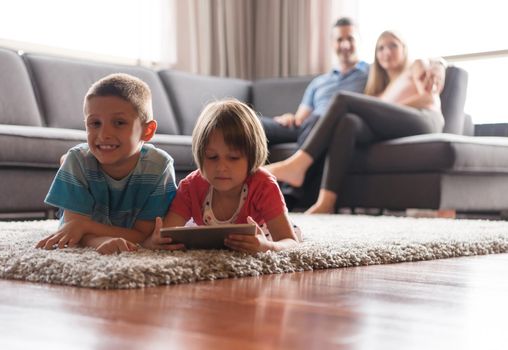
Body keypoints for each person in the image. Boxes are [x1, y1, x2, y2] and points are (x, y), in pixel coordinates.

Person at [265, 30, 446, 214]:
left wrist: (439, 65)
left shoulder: (415, 65)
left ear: (404, 48)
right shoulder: (381, 91)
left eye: (393, 45)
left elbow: (428, 97)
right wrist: (383, 105)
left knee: (342, 98)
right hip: (398, 125)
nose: (386, 52)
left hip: (426, 119)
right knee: (348, 122)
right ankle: (326, 201)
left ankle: (297, 165)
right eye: (380, 48)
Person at [36, 73, 177, 254]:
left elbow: (144, 234)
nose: (104, 134)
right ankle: (66, 168)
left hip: (98, 222)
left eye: (119, 123)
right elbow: (72, 229)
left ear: (147, 131)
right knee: (74, 159)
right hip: (81, 167)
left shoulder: (159, 166)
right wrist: (98, 240)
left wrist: (85, 226)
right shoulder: (78, 161)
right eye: (95, 123)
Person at [142, 99, 301, 253]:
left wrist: (267, 246)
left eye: (233, 158)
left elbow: (290, 242)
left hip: (264, 236)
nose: (221, 167)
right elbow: (164, 234)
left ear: (252, 156)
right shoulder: (190, 186)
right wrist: (156, 242)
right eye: (212, 157)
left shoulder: (263, 184)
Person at [260, 17, 369, 147]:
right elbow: (300, 119)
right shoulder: (319, 82)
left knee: (318, 119)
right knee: (251, 124)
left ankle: (298, 164)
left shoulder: (370, 75)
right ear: (332, 44)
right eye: (339, 40)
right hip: (309, 126)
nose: (345, 45)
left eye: (350, 39)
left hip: (337, 127)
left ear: (360, 41)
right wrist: (290, 118)